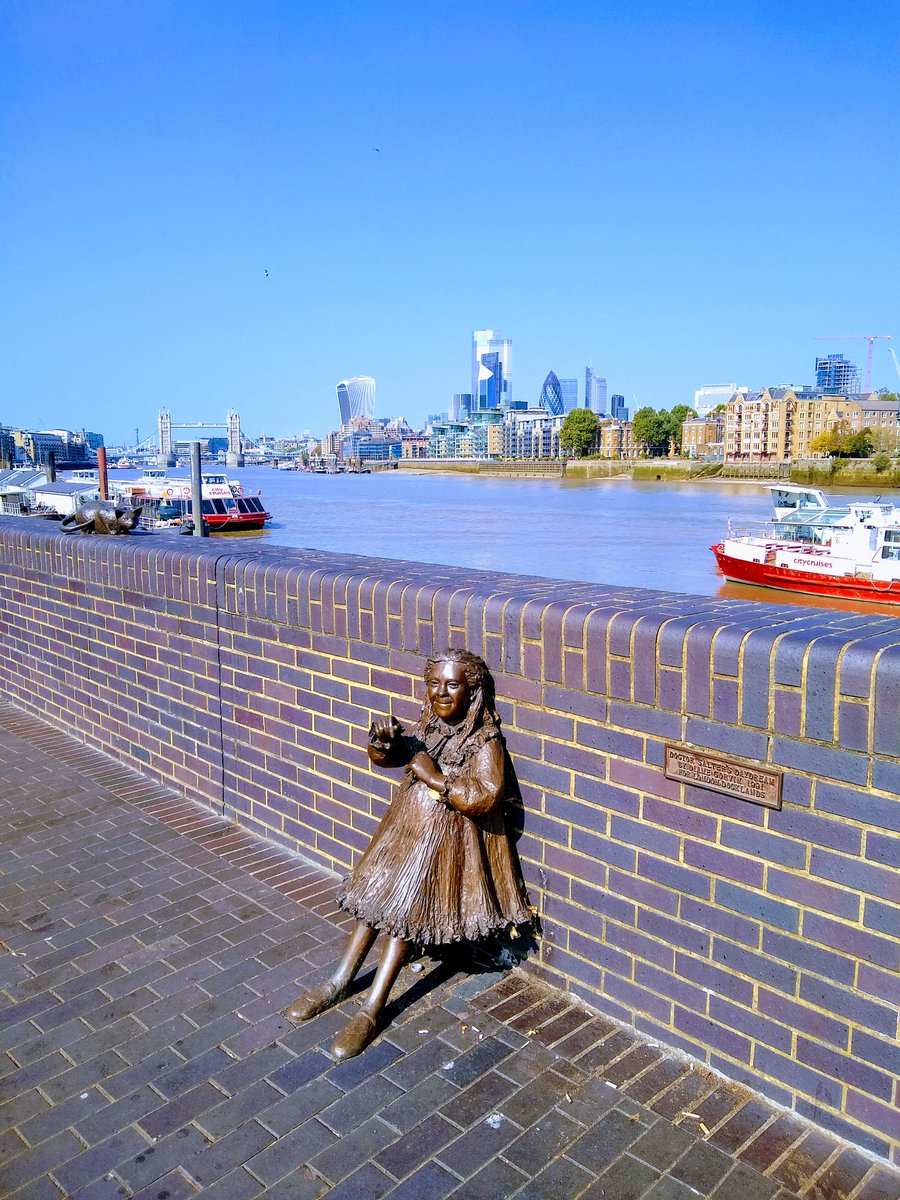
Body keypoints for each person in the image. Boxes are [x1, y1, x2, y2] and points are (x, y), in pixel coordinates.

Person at [285, 648, 532, 1060]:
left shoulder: (484, 741)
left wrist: (437, 780)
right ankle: (338, 981)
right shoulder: (431, 727)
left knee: (401, 918)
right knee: (373, 903)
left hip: (440, 844)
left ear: (472, 691)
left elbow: (486, 796)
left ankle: (372, 1008)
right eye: (434, 684)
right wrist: (382, 746)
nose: (441, 693)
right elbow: (399, 755)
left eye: (452, 685)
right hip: (403, 833)